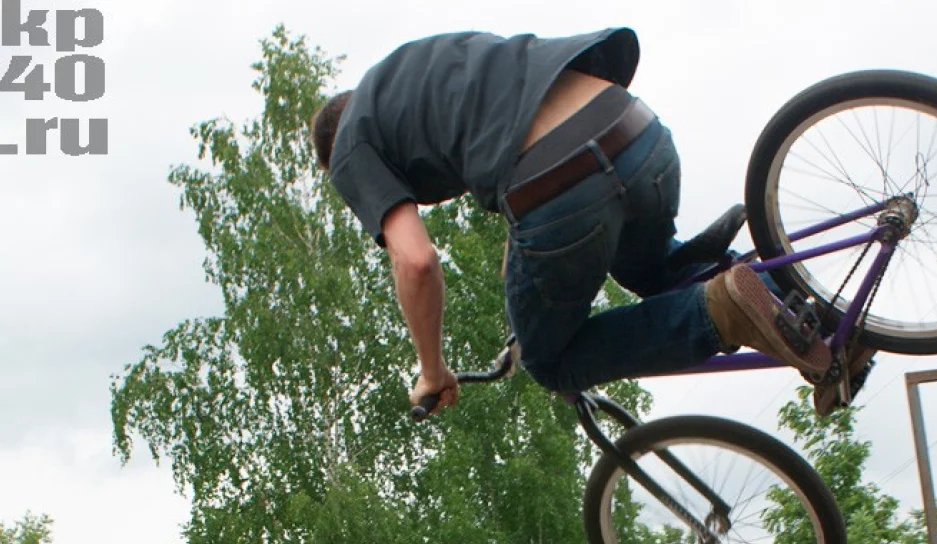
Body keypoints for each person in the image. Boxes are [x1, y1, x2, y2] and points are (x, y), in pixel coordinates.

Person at [310, 28, 838, 421]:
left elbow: (416, 262)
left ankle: (723, 311)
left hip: (563, 185)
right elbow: (515, 136)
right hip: (637, 134)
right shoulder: (415, 71)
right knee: (654, 271)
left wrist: (432, 369)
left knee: (552, 360)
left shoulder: (351, 146)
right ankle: (825, 328)